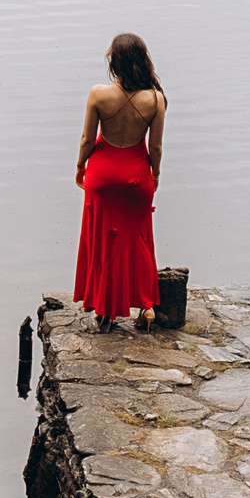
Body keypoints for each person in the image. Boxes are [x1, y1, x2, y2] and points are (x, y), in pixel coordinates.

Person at [74, 33, 165, 332]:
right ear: (143, 60)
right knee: (139, 240)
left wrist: (80, 167)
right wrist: (154, 175)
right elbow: (155, 148)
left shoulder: (98, 95)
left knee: (104, 241)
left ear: (114, 63)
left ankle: (105, 310)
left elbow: (87, 139)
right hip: (136, 177)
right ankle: (147, 307)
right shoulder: (155, 99)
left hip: (102, 175)